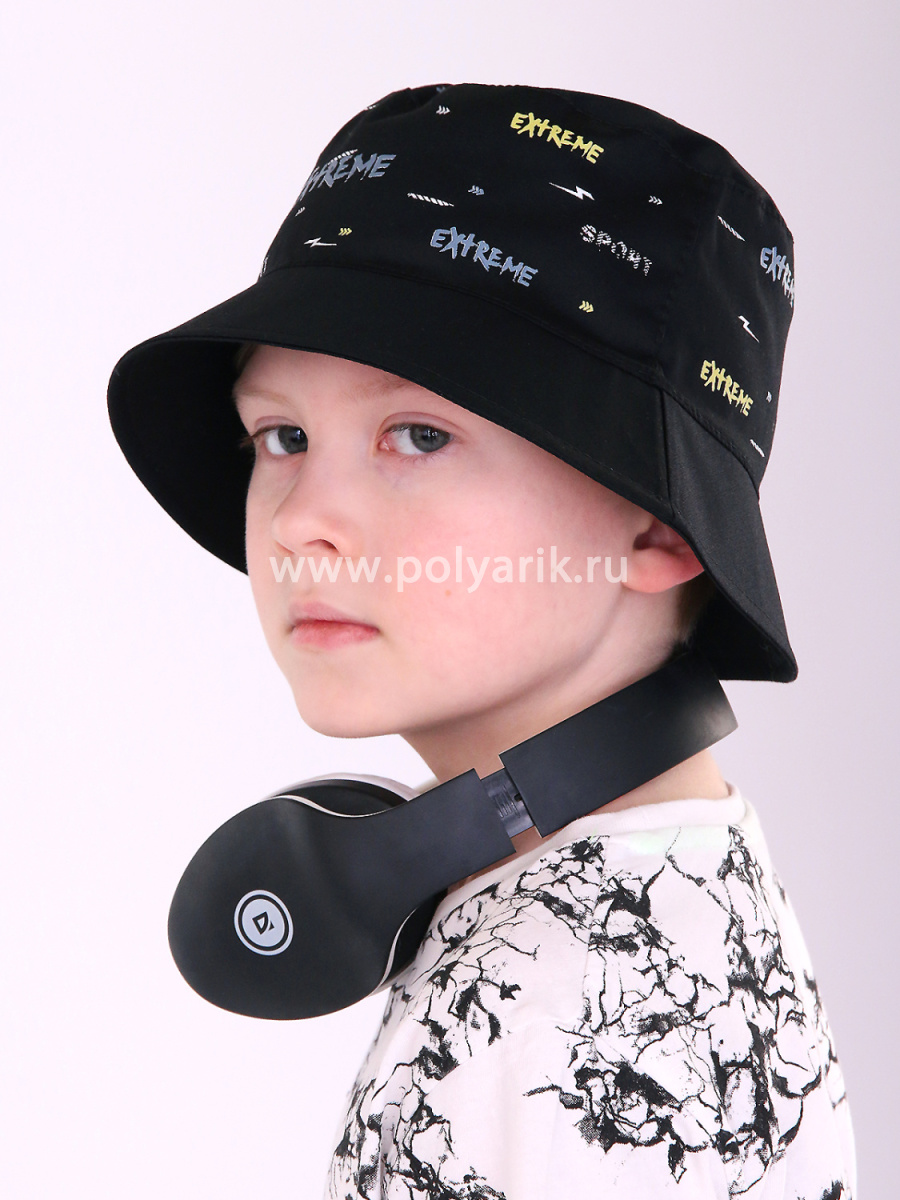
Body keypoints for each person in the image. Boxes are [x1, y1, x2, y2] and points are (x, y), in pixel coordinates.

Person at [108, 83, 856, 1198]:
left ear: (658, 526)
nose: (303, 520)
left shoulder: (564, 1025)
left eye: (418, 434)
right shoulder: (648, 899)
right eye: (284, 435)